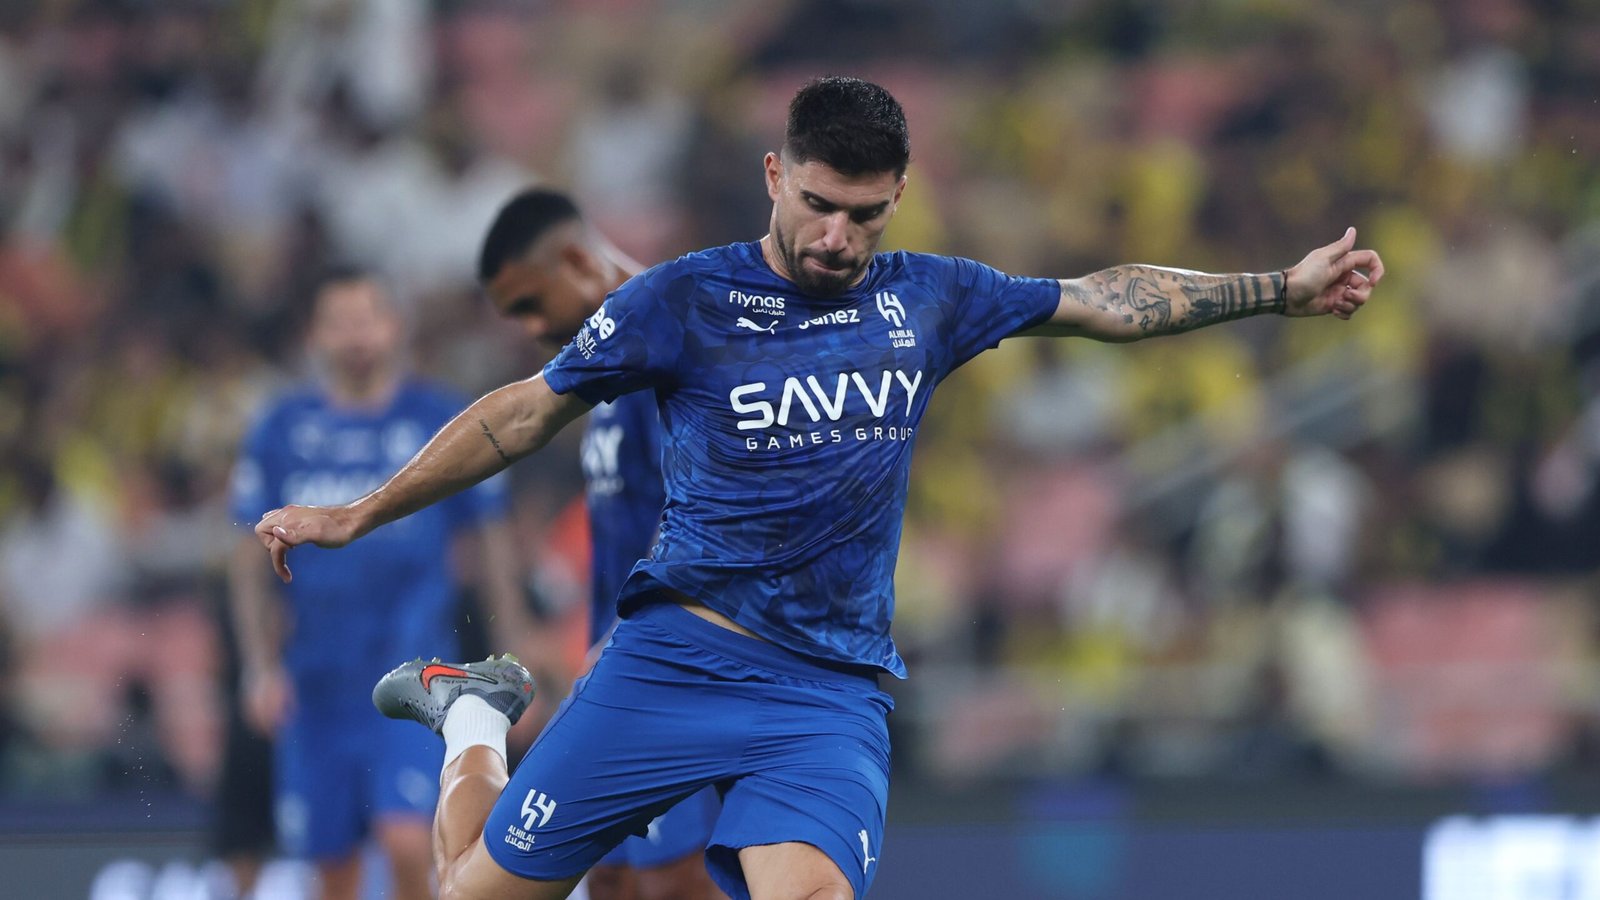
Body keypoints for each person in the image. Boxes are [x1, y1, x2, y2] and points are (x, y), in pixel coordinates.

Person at [254, 76, 1384, 900]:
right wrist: (358, 513)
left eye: (868, 213)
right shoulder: (682, 302)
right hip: (673, 665)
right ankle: (470, 720)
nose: (839, 236)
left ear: (897, 199)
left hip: (826, 693)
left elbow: (1103, 298)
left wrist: (1276, 290)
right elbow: (519, 413)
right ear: (774, 176)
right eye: (819, 205)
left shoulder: (931, 298)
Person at [228, 269, 535, 900]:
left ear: (395, 326)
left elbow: (492, 543)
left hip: (414, 674)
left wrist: (515, 649)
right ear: (314, 334)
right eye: (338, 322)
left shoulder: (441, 418)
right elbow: (245, 556)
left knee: (405, 843)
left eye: (367, 318)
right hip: (315, 683)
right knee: (332, 868)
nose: (355, 336)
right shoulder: (281, 427)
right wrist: (259, 665)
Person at [477, 187, 726, 900]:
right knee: (607, 880)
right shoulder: (607, 370)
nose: (529, 329)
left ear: (576, 262)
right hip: (612, 678)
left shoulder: (676, 341)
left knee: (677, 884)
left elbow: (701, 517)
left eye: (530, 303)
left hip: (673, 673)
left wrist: (623, 639)